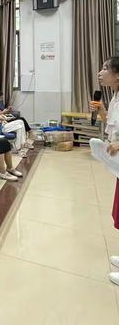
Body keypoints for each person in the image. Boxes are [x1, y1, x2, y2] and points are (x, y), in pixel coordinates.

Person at [90, 57, 119, 286]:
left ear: (117, 74)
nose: (101, 72)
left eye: (105, 68)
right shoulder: (115, 95)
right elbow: (110, 122)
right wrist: (100, 110)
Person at [0, 92, 29, 157]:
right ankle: (20, 147)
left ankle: (19, 148)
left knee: (20, 126)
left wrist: (2, 117)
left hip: (2, 124)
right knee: (20, 122)